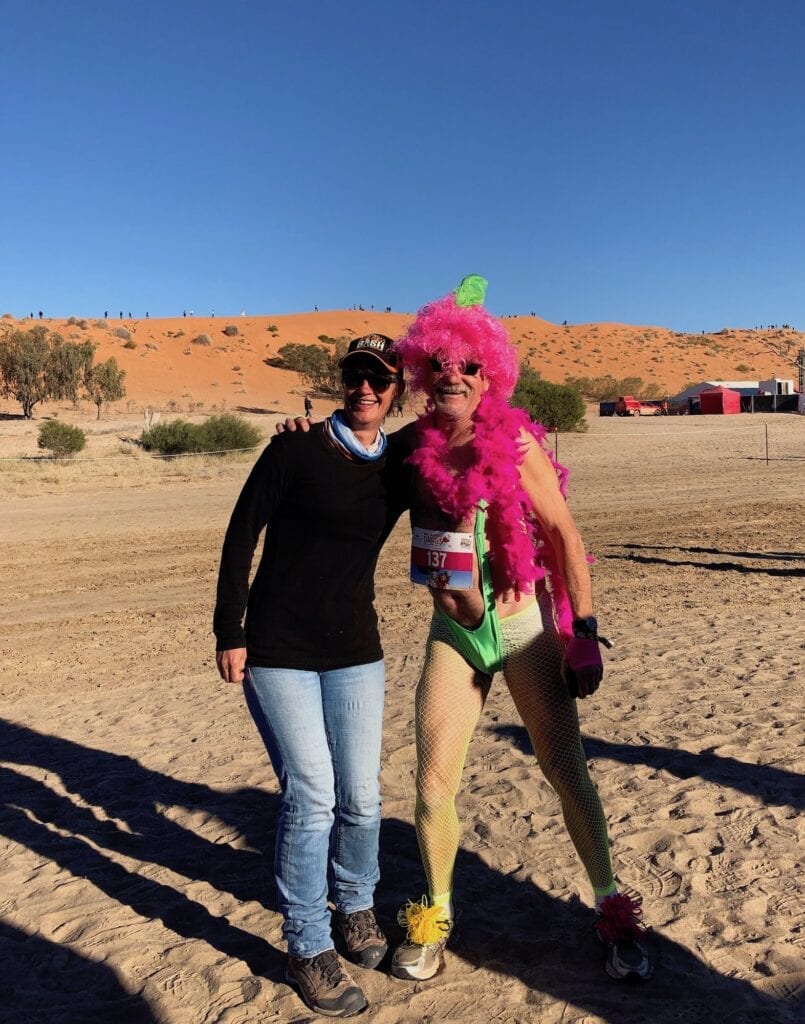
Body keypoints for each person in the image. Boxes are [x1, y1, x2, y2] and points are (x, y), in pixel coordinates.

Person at [389, 276, 653, 984]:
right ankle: (434, 919)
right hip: (452, 635)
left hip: (522, 629)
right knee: (431, 786)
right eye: (438, 364)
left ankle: (611, 910)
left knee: (566, 773)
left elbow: (564, 534)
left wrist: (584, 631)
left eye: (467, 365)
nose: (452, 375)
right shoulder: (413, 444)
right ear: (422, 370)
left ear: (488, 375)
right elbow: (349, 472)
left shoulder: (517, 445)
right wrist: (305, 436)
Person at [214, 334, 408, 1017]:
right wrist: (228, 631)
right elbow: (242, 535)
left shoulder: (401, 461)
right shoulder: (293, 448)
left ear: (397, 390)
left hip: (356, 650)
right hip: (277, 648)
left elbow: (464, 459)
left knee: (361, 796)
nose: (364, 388)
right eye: (354, 376)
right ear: (340, 382)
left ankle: (356, 909)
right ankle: (307, 944)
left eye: (378, 379)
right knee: (313, 795)